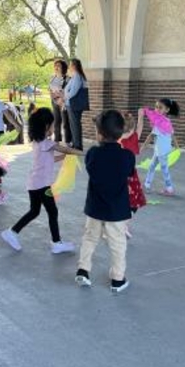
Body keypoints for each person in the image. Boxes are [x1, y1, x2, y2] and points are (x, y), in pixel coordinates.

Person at [1, 108, 82, 255]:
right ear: (46, 126)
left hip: (34, 184)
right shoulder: (46, 143)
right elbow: (64, 149)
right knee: (52, 211)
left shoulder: (39, 142)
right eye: (52, 124)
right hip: (42, 186)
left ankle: (12, 232)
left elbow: (50, 158)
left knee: (35, 211)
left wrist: (62, 158)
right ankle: (56, 243)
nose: (53, 127)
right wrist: (82, 152)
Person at [75, 110, 135, 293]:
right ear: (121, 132)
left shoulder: (92, 153)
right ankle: (117, 279)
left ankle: (83, 270)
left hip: (95, 208)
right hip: (116, 210)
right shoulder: (127, 156)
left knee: (90, 238)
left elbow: (93, 169)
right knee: (117, 243)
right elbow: (128, 174)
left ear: (99, 133)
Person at [143, 98, 180, 196]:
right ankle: (147, 184)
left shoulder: (160, 123)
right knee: (152, 166)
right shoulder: (165, 121)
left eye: (160, 108)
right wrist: (177, 146)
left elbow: (150, 136)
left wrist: (142, 147)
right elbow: (172, 134)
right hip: (159, 150)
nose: (157, 109)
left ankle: (169, 188)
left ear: (167, 110)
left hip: (162, 151)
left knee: (164, 169)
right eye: (156, 107)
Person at [120, 109, 147, 238]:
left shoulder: (113, 141)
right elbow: (140, 129)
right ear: (131, 130)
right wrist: (141, 116)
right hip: (130, 179)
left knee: (118, 204)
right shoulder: (133, 138)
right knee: (133, 204)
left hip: (115, 178)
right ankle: (123, 226)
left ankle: (115, 227)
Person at [63, 58, 90, 150]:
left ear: (74, 66)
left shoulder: (77, 76)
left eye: (70, 65)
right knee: (73, 125)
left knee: (75, 124)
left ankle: (77, 145)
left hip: (74, 104)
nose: (69, 67)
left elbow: (73, 91)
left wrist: (65, 97)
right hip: (71, 104)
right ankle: (75, 143)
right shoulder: (75, 76)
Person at [49, 59, 70, 144]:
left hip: (63, 102)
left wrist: (61, 99)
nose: (56, 67)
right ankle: (57, 139)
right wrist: (52, 95)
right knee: (56, 120)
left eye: (59, 66)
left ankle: (68, 140)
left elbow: (68, 91)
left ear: (63, 67)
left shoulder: (67, 78)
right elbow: (50, 88)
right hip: (54, 101)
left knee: (65, 121)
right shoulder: (52, 77)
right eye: (55, 66)